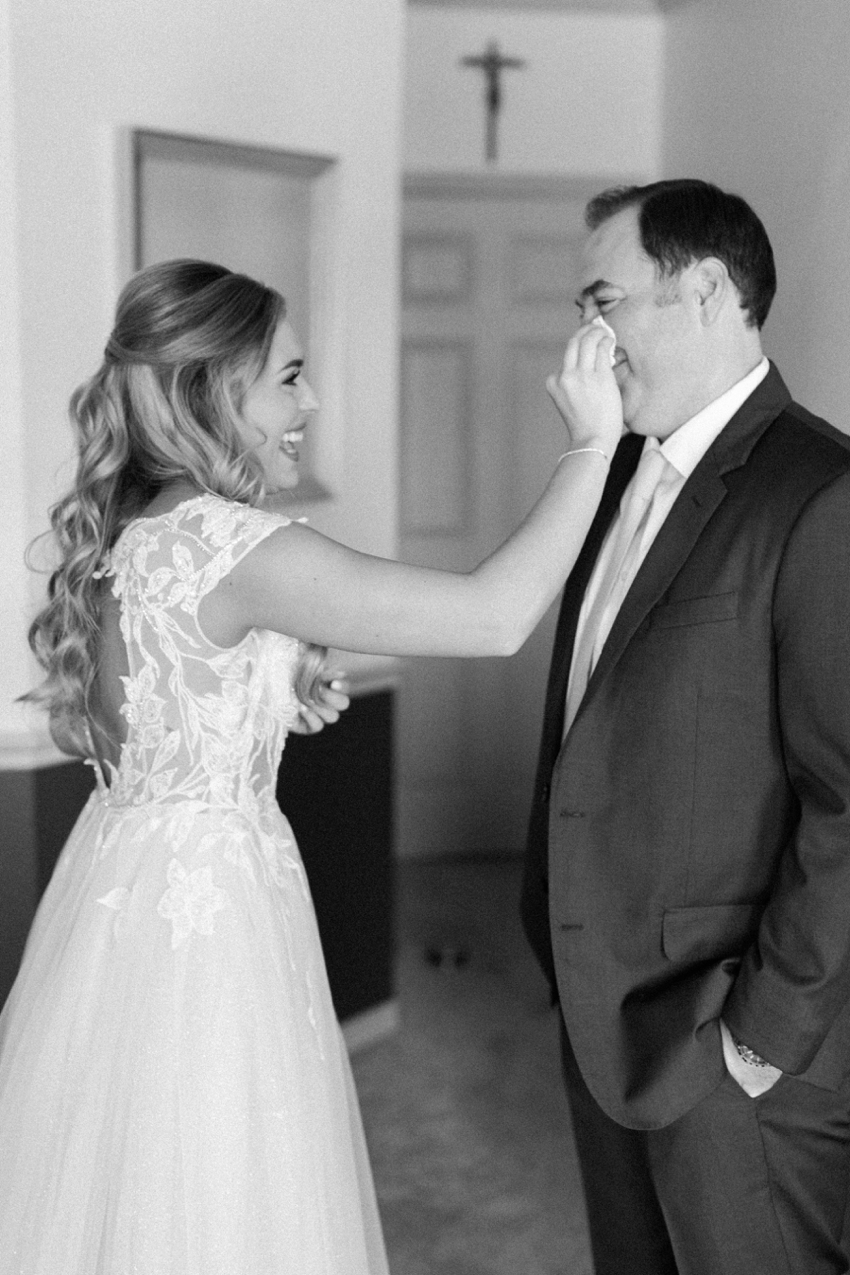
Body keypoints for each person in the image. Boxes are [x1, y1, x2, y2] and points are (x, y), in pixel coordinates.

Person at [0, 258, 622, 1274]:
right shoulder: (239, 546)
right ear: (213, 390)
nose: (313, 402)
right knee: (219, 1184)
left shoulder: (136, 533)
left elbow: (146, 718)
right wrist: (593, 447)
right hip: (212, 921)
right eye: (289, 377)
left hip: (121, 888)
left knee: (125, 1176)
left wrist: (269, 687)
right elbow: (492, 616)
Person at [520, 178, 850, 1274]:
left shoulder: (822, 492)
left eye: (603, 301)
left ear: (704, 290)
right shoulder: (609, 469)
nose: (586, 338)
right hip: (602, 1016)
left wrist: (759, 1040)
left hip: (735, 1049)